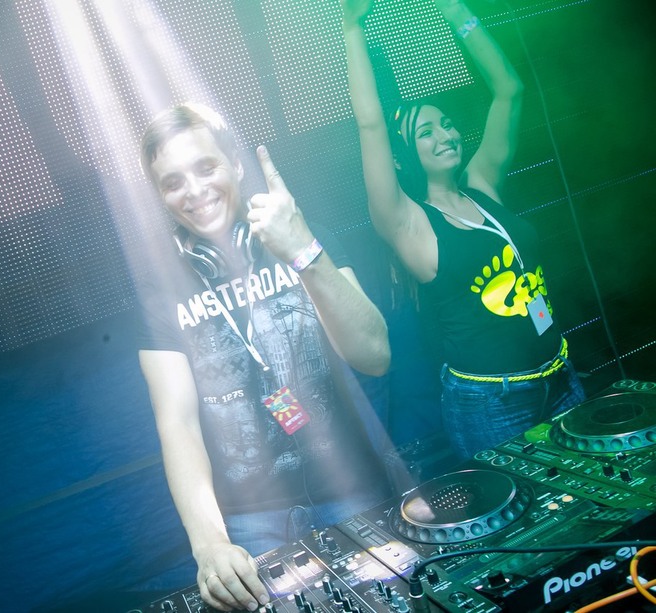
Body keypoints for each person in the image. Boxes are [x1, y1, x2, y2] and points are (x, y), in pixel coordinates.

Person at [136, 102, 391, 612]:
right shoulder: (159, 290)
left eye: (206, 167)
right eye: (173, 182)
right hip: (250, 524)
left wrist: (302, 250)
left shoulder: (302, 236)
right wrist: (209, 544)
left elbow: (375, 355)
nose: (194, 191)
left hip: (353, 490)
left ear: (235, 164)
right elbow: (178, 424)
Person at [340, 0, 585, 460]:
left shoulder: (481, 184)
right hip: (491, 403)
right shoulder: (407, 221)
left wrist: (456, 12)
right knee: (520, 508)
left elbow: (509, 89)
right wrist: (352, 28)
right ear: (401, 157)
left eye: (447, 125)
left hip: (560, 376)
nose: (445, 135)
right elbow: (370, 124)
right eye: (426, 132)